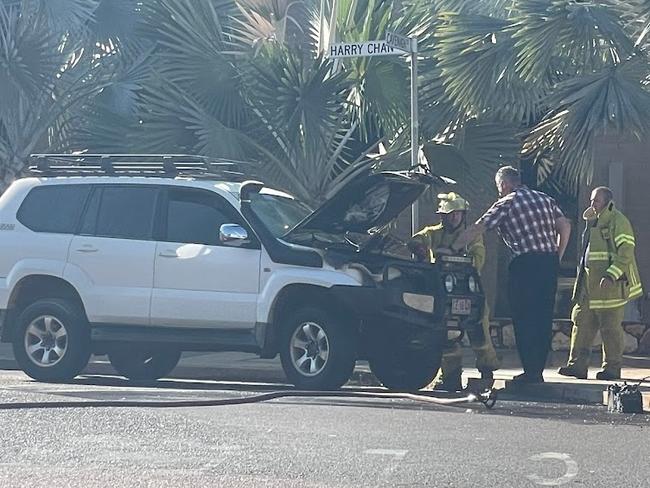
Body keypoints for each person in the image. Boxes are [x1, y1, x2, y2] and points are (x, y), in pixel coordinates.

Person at [452, 166, 572, 384]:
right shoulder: (545, 199)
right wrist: (557, 255)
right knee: (543, 317)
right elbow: (564, 226)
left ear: (504, 184)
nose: (499, 191)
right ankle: (537, 371)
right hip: (548, 262)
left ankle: (529, 371)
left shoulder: (507, 202)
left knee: (524, 317)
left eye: (499, 187)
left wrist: (454, 246)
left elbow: (479, 227)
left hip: (525, 263)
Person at [408, 192, 500, 391]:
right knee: (448, 336)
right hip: (443, 295)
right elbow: (417, 240)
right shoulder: (434, 233)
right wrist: (420, 248)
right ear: (442, 216)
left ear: (463, 214)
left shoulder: (471, 236)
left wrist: (455, 253)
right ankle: (450, 378)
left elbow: (478, 260)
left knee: (480, 333)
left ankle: (487, 373)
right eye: (450, 214)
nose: (454, 218)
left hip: (470, 293)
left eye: (457, 214)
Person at [558, 187, 643, 380]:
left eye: (596, 201)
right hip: (590, 285)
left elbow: (626, 252)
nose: (592, 204)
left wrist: (611, 275)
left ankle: (612, 368)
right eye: (591, 200)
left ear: (607, 202)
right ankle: (577, 365)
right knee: (581, 322)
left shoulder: (618, 222)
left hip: (610, 287)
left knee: (610, 328)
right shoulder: (593, 220)